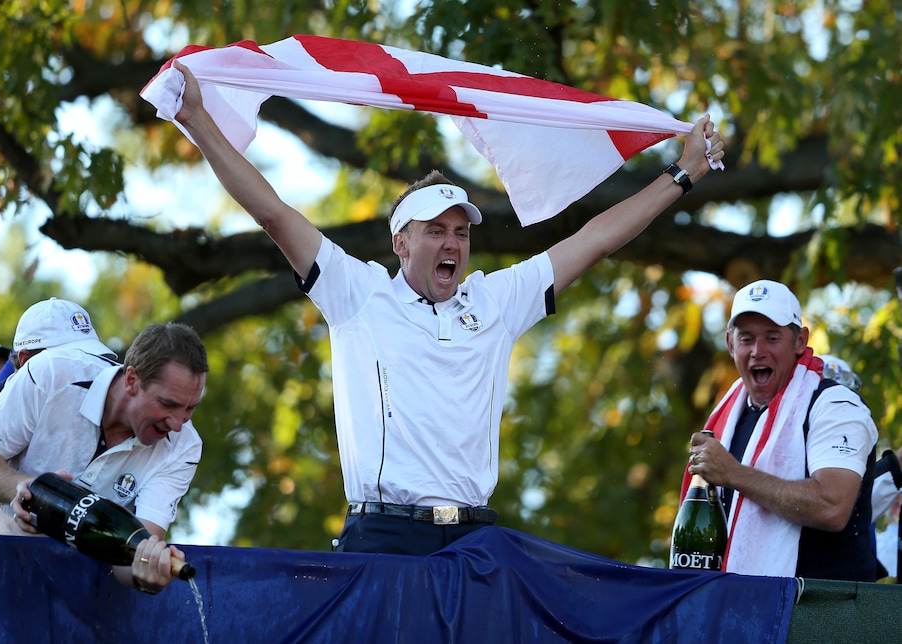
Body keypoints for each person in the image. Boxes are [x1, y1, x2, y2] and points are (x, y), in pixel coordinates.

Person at [172, 62, 726, 555]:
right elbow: (273, 213)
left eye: (460, 232)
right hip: (384, 539)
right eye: (435, 231)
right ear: (400, 243)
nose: (452, 244)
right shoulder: (358, 293)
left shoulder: (496, 300)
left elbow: (596, 239)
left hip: (474, 540)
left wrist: (683, 174)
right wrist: (199, 122)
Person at [0, 322, 208, 594]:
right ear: (132, 380)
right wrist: (20, 487)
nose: (178, 423)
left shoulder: (185, 447)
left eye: (190, 408)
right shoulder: (52, 372)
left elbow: (131, 556)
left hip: (59, 585)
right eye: (168, 404)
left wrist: (146, 574)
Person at [685, 280, 879, 581]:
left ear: (799, 341)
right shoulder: (726, 416)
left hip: (825, 613)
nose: (757, 351)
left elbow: (832, 506)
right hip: (740, 606)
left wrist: (732, 473)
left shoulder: (837, 405)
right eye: (746, 339)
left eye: (772, 338)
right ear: (729, 343)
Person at [0, 297, 119, 521]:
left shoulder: (96, 412)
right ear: (25, 361)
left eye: (90, 357)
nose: (85, 368)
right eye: (66, 359)